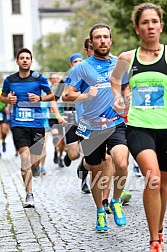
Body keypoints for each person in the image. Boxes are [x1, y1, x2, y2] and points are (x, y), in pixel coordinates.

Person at [63, 23, 129, 232]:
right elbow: (67, 94)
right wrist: (85, 95)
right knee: (97, 171)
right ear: (91, 43)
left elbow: (126, 87)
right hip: (91, 127)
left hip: (115, 123)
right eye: (97, 37)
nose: (102, 40)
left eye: (105, 37)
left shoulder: (120, 63)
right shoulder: (81, 68)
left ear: (111, 40)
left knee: (121, 162)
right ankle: (100, 212)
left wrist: (125, 98)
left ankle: (116, 202)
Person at [111, 3, 166, 251]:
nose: (150, 26)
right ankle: (154, 241)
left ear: (161, 25)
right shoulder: (126, 58)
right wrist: (117, 98)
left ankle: (159, 228)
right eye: (145, 22)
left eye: (154, 21)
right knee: (152, 178)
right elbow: (115, 79)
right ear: (137, 28)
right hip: (139, 126)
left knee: (164, 183)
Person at [0, 48, 54, 208]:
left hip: (36, 124)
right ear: (17, 61)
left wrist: (40, 98)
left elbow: (52, 95)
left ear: (31, 61)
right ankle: (29, 193)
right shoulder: (10, 80)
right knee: (24, 158)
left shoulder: (39, 78)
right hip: (19, 124)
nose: (24, 60)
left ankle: (36, 167)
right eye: (22, 58)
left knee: (35, 161)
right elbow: (2, 96)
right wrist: (8, 99)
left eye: (27, 58)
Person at [63, 52, 91, 193]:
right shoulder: (68, 79)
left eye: (81, 61)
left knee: (87, 151)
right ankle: (68, 155)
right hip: (71, 118)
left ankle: (84, 181)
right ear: (71, 64)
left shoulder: (88, 78)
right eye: (75, 62)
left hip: (86, 118)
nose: (78, 63)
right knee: (74, 154)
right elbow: (61, 97)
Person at [48, 73, 66, 167]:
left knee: (62, 139)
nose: (55, 80)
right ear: (50, 79)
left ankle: (60, 155)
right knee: (55, 135)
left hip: (63, 117)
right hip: (52, 117)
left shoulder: (63, 90)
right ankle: (56, 150)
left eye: (57, 78)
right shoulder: (48, 90)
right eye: (53, 78)